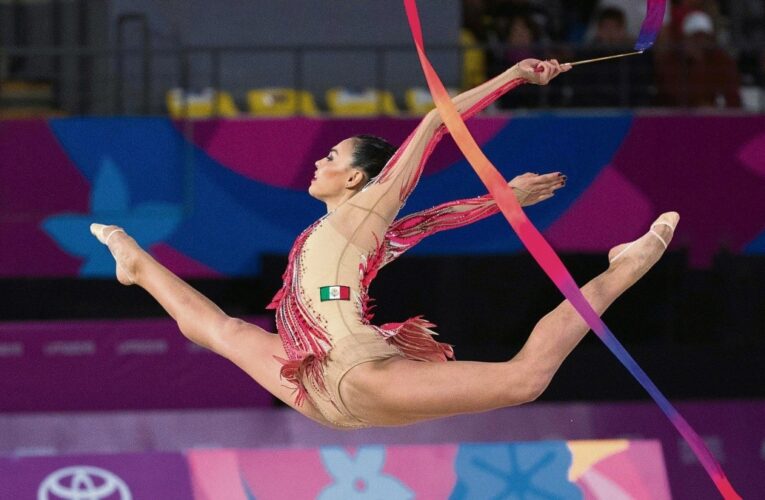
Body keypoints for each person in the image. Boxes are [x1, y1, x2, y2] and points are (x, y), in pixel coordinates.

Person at [91, 58, 678, 429]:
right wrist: (505, 198)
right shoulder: (353, 234)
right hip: (316, 384)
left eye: (331, 157)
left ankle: (627, 265)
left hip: (354, 377)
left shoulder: (366, 210)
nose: (318, 161)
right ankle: (137, 263)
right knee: (226, 332)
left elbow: (435, 124)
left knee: (524, 380)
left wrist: (512, 77)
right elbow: (432, 223)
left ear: (356, 179)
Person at [655, 10, 741, 108]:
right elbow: (669, 97)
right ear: (685, 39)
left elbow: (733, 99)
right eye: (695, 37)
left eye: (704, 37)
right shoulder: (671, 61)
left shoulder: (722, 61)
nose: (700, 42)